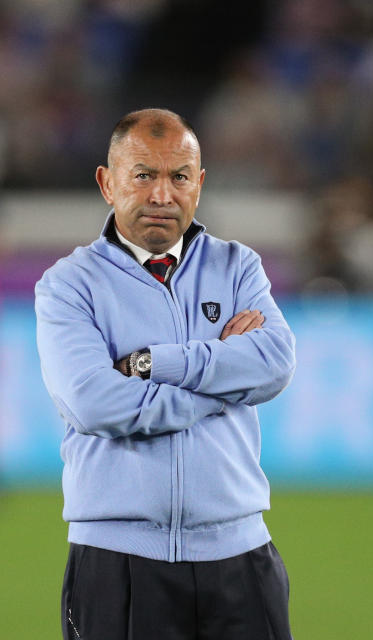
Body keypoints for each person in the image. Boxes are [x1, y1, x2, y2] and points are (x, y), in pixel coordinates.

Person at [35, 109, 296, 639]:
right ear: (108, 183)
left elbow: (275, 363)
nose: (161, 195)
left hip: (241, 558)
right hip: (118, 563)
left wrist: (157, 362)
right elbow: (97, 403)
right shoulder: (69, 285)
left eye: (178, 176)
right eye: (143, 175)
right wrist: (221, 385)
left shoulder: (237, 265)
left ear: (198, 184)